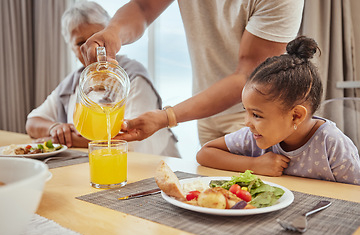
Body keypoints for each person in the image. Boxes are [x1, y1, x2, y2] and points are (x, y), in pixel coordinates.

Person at [80, 0, 305, 146]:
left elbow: (248, 76)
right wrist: (113, 31)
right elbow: (143, 7)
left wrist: (166, 117)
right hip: (206, 110)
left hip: (256, 117)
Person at [196, 36, 360, 185]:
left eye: (256, 115)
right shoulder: (255, 136)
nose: (247, 122)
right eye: (245, 110)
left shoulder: (332, 144)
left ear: (296, 116)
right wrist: (254, 165)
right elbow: (205, 153)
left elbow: (354, 195)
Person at [25, 1, 180, 158]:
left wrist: (63, 140)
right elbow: (32, 122)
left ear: (111, 37)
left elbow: (131, 142)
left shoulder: (132, 78)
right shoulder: (73, 82)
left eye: (96, 38)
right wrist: (55, 128)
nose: (90, 47)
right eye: (80, 43)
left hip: (151, 166)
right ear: (71, 48)